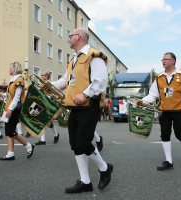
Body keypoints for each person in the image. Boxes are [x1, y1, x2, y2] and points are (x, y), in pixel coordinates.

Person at [51, 28, 113, 193]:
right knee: (76, 144)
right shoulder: (74, 59)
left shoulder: (94, 56)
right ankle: (85, 182)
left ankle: (104, 168)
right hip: (74, 107)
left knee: (84, 142)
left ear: (78, 37)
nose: (68, 39)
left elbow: (100, 82)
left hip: (89, 105)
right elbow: (66, 81)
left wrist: (85, 94)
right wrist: (47, 87)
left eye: (70, 36)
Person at [142, 52, 181, 171]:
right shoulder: (159, 77)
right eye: (162, 59)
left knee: (179, 134)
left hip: (178, 110)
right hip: (164, 111)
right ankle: (169, 162)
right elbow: (153, 94)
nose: (163, 61)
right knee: (165, 135)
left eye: (166, 59)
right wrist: (141, 102)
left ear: (173, 61)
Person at [0, 61, 34, 161]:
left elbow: (17, 97)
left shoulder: (19, 79)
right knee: (9, 131)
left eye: (10, 68)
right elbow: (11, 96)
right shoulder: (13, 80)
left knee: (10, 131)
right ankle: (10, 153)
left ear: (14, 69)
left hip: (14, 109)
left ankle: (28, 146)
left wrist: (10, 109)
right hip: (10, 108)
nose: (9, 69)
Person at [34, 71, 60, 145]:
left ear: (47, 77)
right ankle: (54, 135)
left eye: (43, 75)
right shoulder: (40, 84)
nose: (41, 76)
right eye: (41, 75)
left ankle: (45, 139)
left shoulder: (50, 84)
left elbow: (55, 94)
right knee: (46, 122)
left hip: (48, 104)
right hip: (41, 104)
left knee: (45, 122)